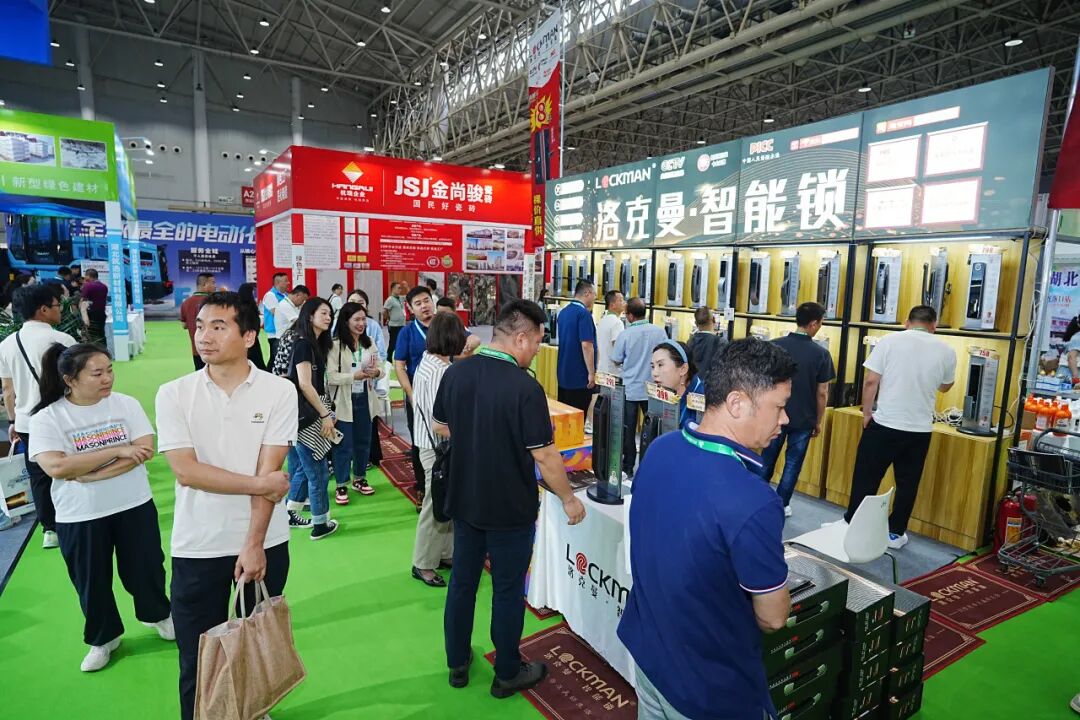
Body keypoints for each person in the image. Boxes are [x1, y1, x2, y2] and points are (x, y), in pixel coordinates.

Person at [618, 338, 795, 720]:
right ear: (737, 403)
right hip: (709, 687)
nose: (784, 420)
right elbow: (773, 617)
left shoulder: (661, 448)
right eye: (779, 407)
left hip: (650, 655)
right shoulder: (754, 500)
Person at [433, 300, 586, 696]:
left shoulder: (456, 373)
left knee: (462, 583)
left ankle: (457, 664)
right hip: (510, 508)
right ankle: (506, 672)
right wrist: (569, 499)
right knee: (506, 589)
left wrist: (477, 436)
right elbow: (545, 456)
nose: (536, 350)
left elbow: (440, 425)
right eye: (536, 341)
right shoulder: (525, 388)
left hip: (464, 499)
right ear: (519, 338)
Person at [156, 291, 296, 720]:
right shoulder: (174, 393)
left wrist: (254, 544)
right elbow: (187, 471)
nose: (204, 336)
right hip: (198, 544)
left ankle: (252, 710)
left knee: (253, 643)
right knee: (198, 659)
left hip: (265, 543)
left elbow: (271, 469)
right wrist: (259, 483)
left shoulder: (279, 390)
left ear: (249, 336)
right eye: (200, 326)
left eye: (219, 327)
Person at [29, 342, 172, 672]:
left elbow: (144, 450)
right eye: (97, 373)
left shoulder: (125, 404)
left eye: (109, 370)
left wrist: (91, 473)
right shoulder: (47, 418)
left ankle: (158, 615)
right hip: (80, 514)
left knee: (147, 568)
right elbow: (57, 467)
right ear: (70, 379)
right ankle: (103, 637)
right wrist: (119, 450)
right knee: (91, 580)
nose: (107, 378)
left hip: (134, 504)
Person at [842, 305, 956, 549]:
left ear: (907, 322)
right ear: (934, 326)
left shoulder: (888, 341)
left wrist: (866, 413)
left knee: (866, 476)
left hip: (884, 423)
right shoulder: (947, 350)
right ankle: (895, 533)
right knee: (907, 484)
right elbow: (946, 386)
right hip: (919, 430)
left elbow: (871, 380)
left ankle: (853, 523)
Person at [0, 284, 77, 549]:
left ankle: (50, 529)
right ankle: (73, 518)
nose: (60, 310)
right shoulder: (64, 341)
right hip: (63, 417)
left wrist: (12, 421)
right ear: (43, 309)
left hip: (27, 421)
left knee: (38, 475)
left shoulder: (7, 344)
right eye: (57, 305)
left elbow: (8, 389)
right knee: (71, 466)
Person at [758, 302, 835, 518]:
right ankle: (782, 504)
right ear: (813, 324)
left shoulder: (774, 346)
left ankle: (757, 498)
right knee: (792, 464)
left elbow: (761, 380)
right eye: (821, 323)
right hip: (804, 418)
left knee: (766, 459)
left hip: (774, 414)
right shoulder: (821, 354)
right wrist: (818, 420)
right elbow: (822, 392)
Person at [410, 312, 467, 588]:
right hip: (437, 448)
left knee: (444, 503)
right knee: (435, 506)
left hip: (431, 445)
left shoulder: (429, 362)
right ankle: (423, 563)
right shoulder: (440, 371)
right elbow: (441, 422)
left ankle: (443, 553)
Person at [281, 297, 341, 539]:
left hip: (308, 413)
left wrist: (327, 410)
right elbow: (305, 384)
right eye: (323, 313)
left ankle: (291, 512)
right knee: (317, 471)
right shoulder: (304, 344)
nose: (328, 317)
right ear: (309, 315)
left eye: (330, 314)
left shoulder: (313, 344)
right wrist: (325, 414)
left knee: (306, 469)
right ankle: (320, 524)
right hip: (306, 417)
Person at [326, 303, 382, 504]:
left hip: (365, 398)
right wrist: (353, 377)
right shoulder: (335, 345)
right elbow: (330, 376)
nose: (361, 323)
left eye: (363, 319)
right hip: (344, 400)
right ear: (346, 321)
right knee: (343, 445)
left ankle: (359, 478)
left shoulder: (369, 342)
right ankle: (341, 484)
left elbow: (381, 366)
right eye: (356, 319)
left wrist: (377, 372)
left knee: (363, 441)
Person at [611, 298, 667, 476]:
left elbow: (616, 359)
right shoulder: (659, 332)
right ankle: (650, 465)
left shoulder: (625, 334)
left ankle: (628, 467)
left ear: (630, 316)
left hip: (631, 389)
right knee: (653, 429)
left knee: (628, 429)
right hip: (653, 389)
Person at [556, 280, 597, 412]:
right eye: (594, 294)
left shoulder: (563, 312)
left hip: (563, 374)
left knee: (564, 416)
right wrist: (591, 373)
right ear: (587, 293)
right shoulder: (583, 314)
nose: (595, 298)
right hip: (579, 376)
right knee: (578, 417)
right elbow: (586, 345)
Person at [651, 340, 703, 430]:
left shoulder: (704, 398)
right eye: (652, 366)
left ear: (683, 369)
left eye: (660, 365)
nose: (654, 373)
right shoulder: (663, 395)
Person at [179, 273, 216, 371]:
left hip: (197, 350)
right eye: (213, 283)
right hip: (215, 349)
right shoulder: (213, 302)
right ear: (204, 284)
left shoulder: (186, 303)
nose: (215, 286)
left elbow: (184, 325)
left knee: (200, 375)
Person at [237, 282, 267, 371]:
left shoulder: (236, 309)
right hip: (253, 341)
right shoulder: (252, 308)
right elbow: (256, 325)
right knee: (257, 366)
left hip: (240, 341)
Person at [688, 306, 725, 378]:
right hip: (712, 383)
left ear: (696, 323)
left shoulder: (690, 341)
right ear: (714, 320)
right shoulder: (721, 343)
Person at [261, 272, 289, 362]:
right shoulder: (270, 295)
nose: (288, 283)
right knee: (275, 359)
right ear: (278, 282)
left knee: (280, 359)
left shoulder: (286, 295)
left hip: (284, 332)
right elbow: (276, 314)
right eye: (286, 281)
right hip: (274, 333)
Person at [596, 290, 625, 375]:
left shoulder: (602, 320)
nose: (624, 303)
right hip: (613, 372)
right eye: (621, 300)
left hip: (601, 368)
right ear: (612, 305)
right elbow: (618, 349)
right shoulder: (617, 322)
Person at [81, 269, 109, 346]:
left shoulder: (87, 286)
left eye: (85, 275)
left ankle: (94, 350)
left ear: (88, 276)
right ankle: (104, 349)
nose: (85, 277)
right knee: (101, 333)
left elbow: (83, 300)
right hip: (101, 313)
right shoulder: (104, 286)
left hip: (91, 313)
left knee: (92, 334)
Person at [383, 282, 408, 357]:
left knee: (401, 342)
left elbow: (410, 296)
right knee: (393, 343)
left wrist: (407, 287)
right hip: (394, 325)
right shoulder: (390, 300)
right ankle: (389, 359)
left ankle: (398, 357)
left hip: (402, 324)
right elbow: (384, 311)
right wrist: (388, 318)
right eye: (398, 288)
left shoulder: (400, 298)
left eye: (401, 288)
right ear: (393, 289)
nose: (400, 290)